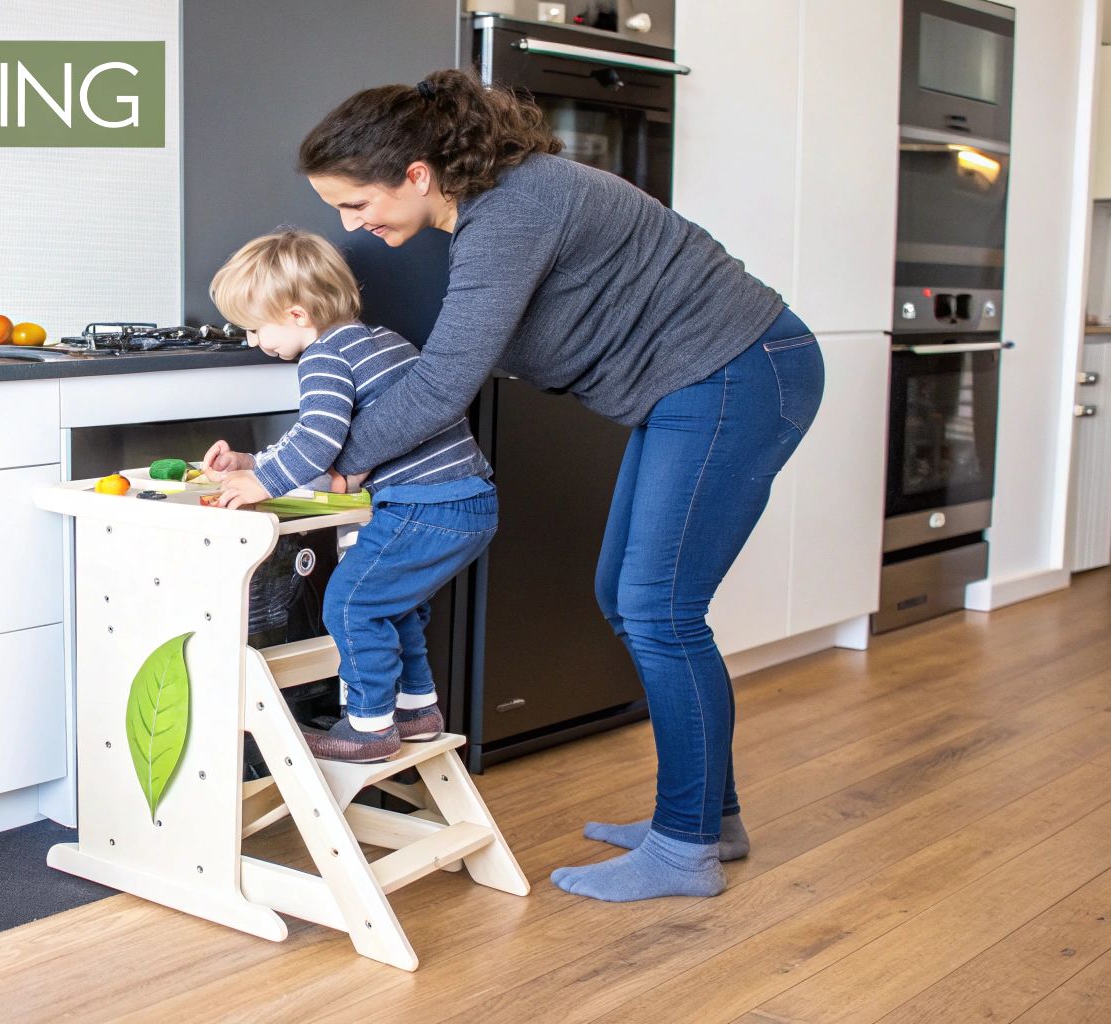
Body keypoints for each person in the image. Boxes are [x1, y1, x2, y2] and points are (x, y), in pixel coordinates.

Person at [294, 69, 825, 902]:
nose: (351, 224)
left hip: (736, 374)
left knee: (660, 610)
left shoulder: (510, 212)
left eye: (356, 204)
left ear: (418, 176)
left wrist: (325, 463)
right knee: (630, 597)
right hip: (699, 384)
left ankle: (684, 847)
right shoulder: (498, 205)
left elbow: (446, 381)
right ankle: (708, 820)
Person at [199, 229, 498, 764]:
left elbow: (318, 441)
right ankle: (416, 710)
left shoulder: (323, 358)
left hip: (425, 506)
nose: (251, 342)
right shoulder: (378, 340)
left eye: (253, 328)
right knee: (390, 602)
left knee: (351, 602)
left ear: (294, 316)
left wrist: (262, 485)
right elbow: (323, 441)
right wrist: (251, 463)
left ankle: (368, 727)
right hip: (464, 501)